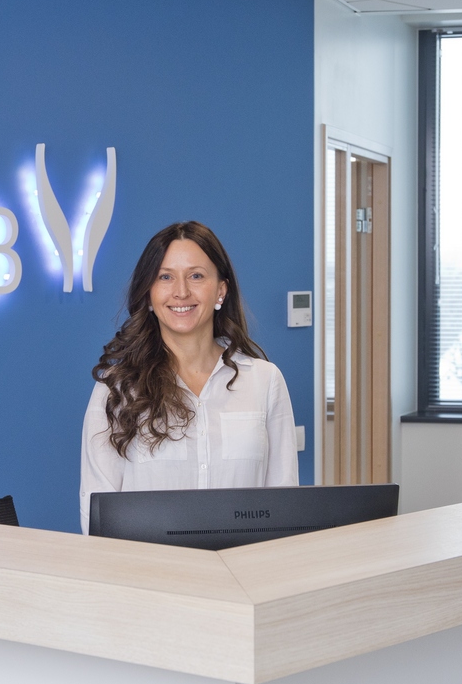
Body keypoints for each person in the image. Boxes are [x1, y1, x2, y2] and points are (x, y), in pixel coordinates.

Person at [80, 221, 299, 534]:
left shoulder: (265, 381)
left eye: (196, 276)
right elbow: (97, 513)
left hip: (245, 563)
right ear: (149, 293)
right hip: (149, 564)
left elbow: (284, 503)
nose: (181, 292)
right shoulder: (117, 388)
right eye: (165, 277)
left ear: (221, 290)